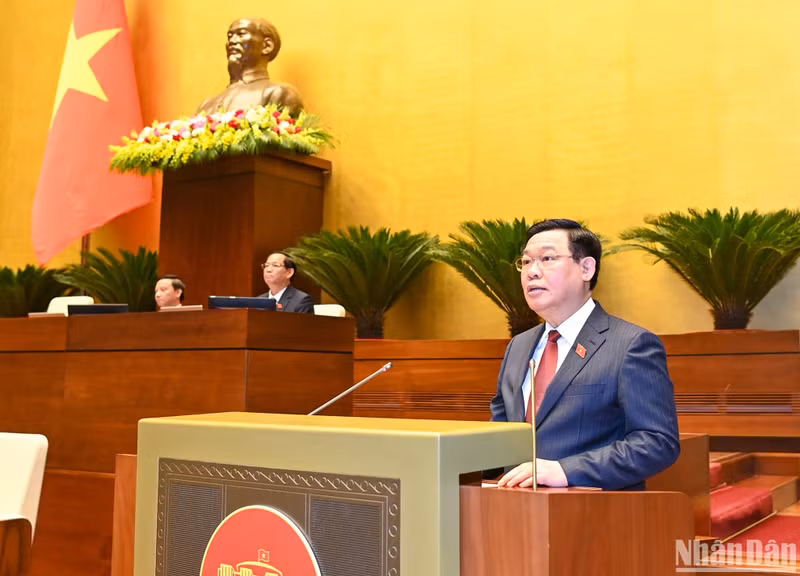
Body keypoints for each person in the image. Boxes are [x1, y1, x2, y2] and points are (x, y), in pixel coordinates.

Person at [491, 219, 680, 490]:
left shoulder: (630, 344)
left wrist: (565, 471)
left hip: (592, 514)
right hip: (515, 512)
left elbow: (657, 442)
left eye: (547, 258)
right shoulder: (518, 347)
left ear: (586, 268)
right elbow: (498, 436)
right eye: (526, 262)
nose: (532, 271)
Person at [197, 18, 303, 115]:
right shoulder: (206, 105)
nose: (232, 41)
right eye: (229, 36)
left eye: (241, 34)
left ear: (267, 46)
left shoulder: (278, 93)